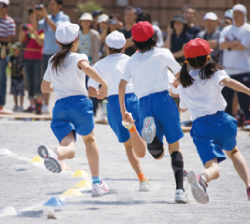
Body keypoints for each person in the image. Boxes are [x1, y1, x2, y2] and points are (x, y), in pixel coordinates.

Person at [171, 38, 250, 205]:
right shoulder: (214, 73)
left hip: (201, 127)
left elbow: (184, 108)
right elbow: (229, 82)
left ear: (186, 61)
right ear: (209, 58)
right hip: (223, 122)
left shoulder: (185, 84)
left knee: (213, 167)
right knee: (234, 152)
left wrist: (175, 87)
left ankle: (202, 177)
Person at [38, 22, 109, 197]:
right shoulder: (79, 57)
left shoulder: (52, 60)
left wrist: (60, 87)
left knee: (69, 150)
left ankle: (54, 153)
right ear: (76, 40)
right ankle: (96, 184)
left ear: (57, 41)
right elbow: (87, 68)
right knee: (89, 141)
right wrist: (104, 83)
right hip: (79, 104)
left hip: (60, 106)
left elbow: (44, 88)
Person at [118, 21, 187, 203]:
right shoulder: (163, 53)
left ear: (135, 42)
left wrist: (124, 110)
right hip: (164, 100)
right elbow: (180, 72)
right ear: (154, 37)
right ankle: (179, 190)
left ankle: (153, 139)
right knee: (175, 148)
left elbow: (122, 85)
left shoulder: (131, 60)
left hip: (144, 104)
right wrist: (176, 83)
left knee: (157, 155)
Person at [88, 31, 150, 191]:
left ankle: (142, 179)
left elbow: (91, 91)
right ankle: (146, 135)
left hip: (115, 103)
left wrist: (100, 93)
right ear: (124, 46)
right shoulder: (132, 60)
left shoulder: (99, 65)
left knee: (128, 146)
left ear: (106, 47)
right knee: (140, 137)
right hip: (135, 99)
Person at [219, 4, 250, 123]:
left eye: (239, 13)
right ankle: (227, 122)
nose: (236, 15)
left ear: (244, 15)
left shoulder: (248, 29)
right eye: (234, 13)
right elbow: (221, 45)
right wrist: (236, 42)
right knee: (226, 100)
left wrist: (230, 44)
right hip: (228, 70)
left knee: (245, 98)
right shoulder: (226, 29)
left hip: (243, 68)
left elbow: (243, 46)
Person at [33, 0, 70, 114]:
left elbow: (56, 29)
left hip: (59, 52)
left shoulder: (64, 18)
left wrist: (45, 16)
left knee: (61, 79)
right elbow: (36, 28)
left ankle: (62, 105)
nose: (50, 6)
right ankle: (45, 106)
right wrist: (35, 15)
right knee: (46, 80)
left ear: (60, 6)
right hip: (46, 53)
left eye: (53, 4)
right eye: (50, 4)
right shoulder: (46, 17)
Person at [19, 9, 44, 113]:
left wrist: (33, 31)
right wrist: (22, 31)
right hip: (27, 57)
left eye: (34, 17)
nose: (32, 19)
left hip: (38, 58)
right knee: (29, 81)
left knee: (38, 81)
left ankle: (39, 104)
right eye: (31, 17)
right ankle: (31, 105)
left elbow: (40, 43)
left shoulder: (42, 29)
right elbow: (20, 40)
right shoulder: (27, 28)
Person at [8, 42, 24, 112]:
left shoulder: (22, 57)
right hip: (13, 77)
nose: (14, 50)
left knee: (21, 92)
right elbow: (9, 62)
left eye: (16, 49)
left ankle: (21, 105)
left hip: (20, 77)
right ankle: (16, 105)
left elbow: (24, 65)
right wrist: (9, 64)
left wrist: (23, 69)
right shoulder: (11, 57)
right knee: (14, 92)